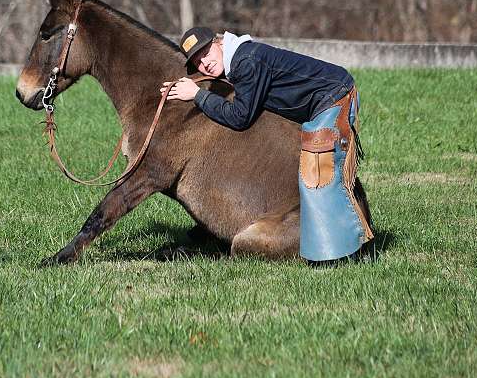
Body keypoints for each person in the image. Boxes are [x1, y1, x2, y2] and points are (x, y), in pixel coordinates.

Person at [160, 27, 374, 261]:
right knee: (323, 176)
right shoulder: (240, 61)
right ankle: (350, 245)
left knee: (319, 179)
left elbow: (239, 117)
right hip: (325, 99)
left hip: (333, 96)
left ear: (218, 43)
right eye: (198, 62)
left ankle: (347, 252)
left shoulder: (246, 61)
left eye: (205, 52)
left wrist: (197, 95)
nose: (205, 63)